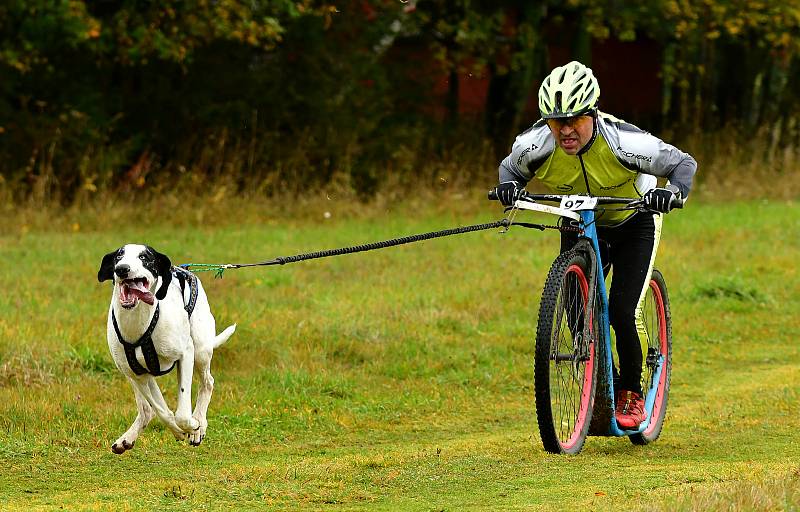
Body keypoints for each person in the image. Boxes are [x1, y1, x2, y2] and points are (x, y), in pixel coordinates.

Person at [493, 60, 697, 429]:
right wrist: (508, 186)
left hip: (633, 221)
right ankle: (602, 380)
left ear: (593, 112)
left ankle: (631, 392)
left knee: (621, 311)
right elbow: (510, 170)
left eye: (574, 120)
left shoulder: (625, 141)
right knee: (573, 308)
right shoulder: (534, 144)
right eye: (556, 122)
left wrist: (673, 192)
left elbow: (683, 164)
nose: (565, 130)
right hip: (579, 221)